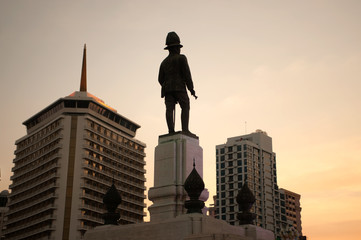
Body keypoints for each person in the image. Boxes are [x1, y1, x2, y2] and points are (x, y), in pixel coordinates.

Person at [158, 32, 197, 135]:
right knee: (185, 106)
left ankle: (171, 131)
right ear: (176, 48)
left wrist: (167, 85)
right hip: (179, 87)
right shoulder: (181, 58)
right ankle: (185, 129)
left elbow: (160, 79)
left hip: (167, 89)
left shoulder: (164, 62)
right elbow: (187, 75)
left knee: (169, 109)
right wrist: (191, 89)